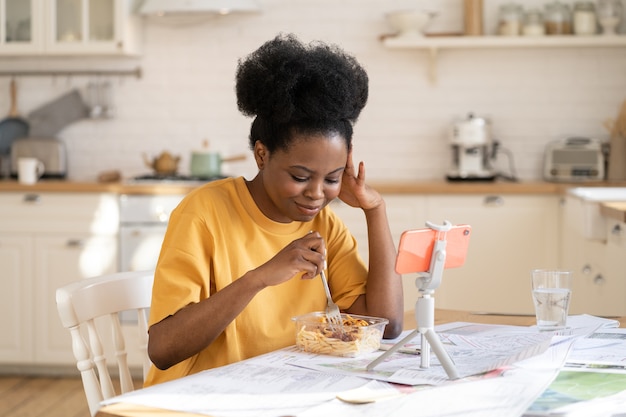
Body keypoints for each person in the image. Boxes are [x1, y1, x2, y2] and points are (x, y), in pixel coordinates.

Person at [145, 33, 404, 387]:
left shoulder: (325, 225)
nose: (316, 194)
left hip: (281, 391)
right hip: (199, 397)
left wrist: (375, 210)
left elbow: (386, 326)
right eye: (300, 176)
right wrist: (261, 277)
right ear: (262, 154)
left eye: (331, 178)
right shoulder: (203, 213)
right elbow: (163, 349)